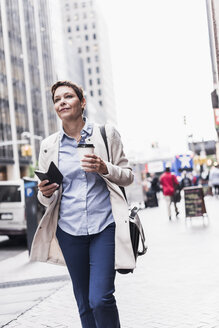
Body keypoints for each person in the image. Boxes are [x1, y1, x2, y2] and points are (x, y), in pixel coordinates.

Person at [30, 81, 135, 328]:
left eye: (68, 96)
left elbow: (128, 175)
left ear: (82, 102)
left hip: (104, 226)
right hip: (69, 230)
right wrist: (45, 192)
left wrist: (104, 167)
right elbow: (46, 198)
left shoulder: (105, 134)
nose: (62, 102)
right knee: (84, 303)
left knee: (100, 299)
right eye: (57, 99)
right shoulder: (49, 145)